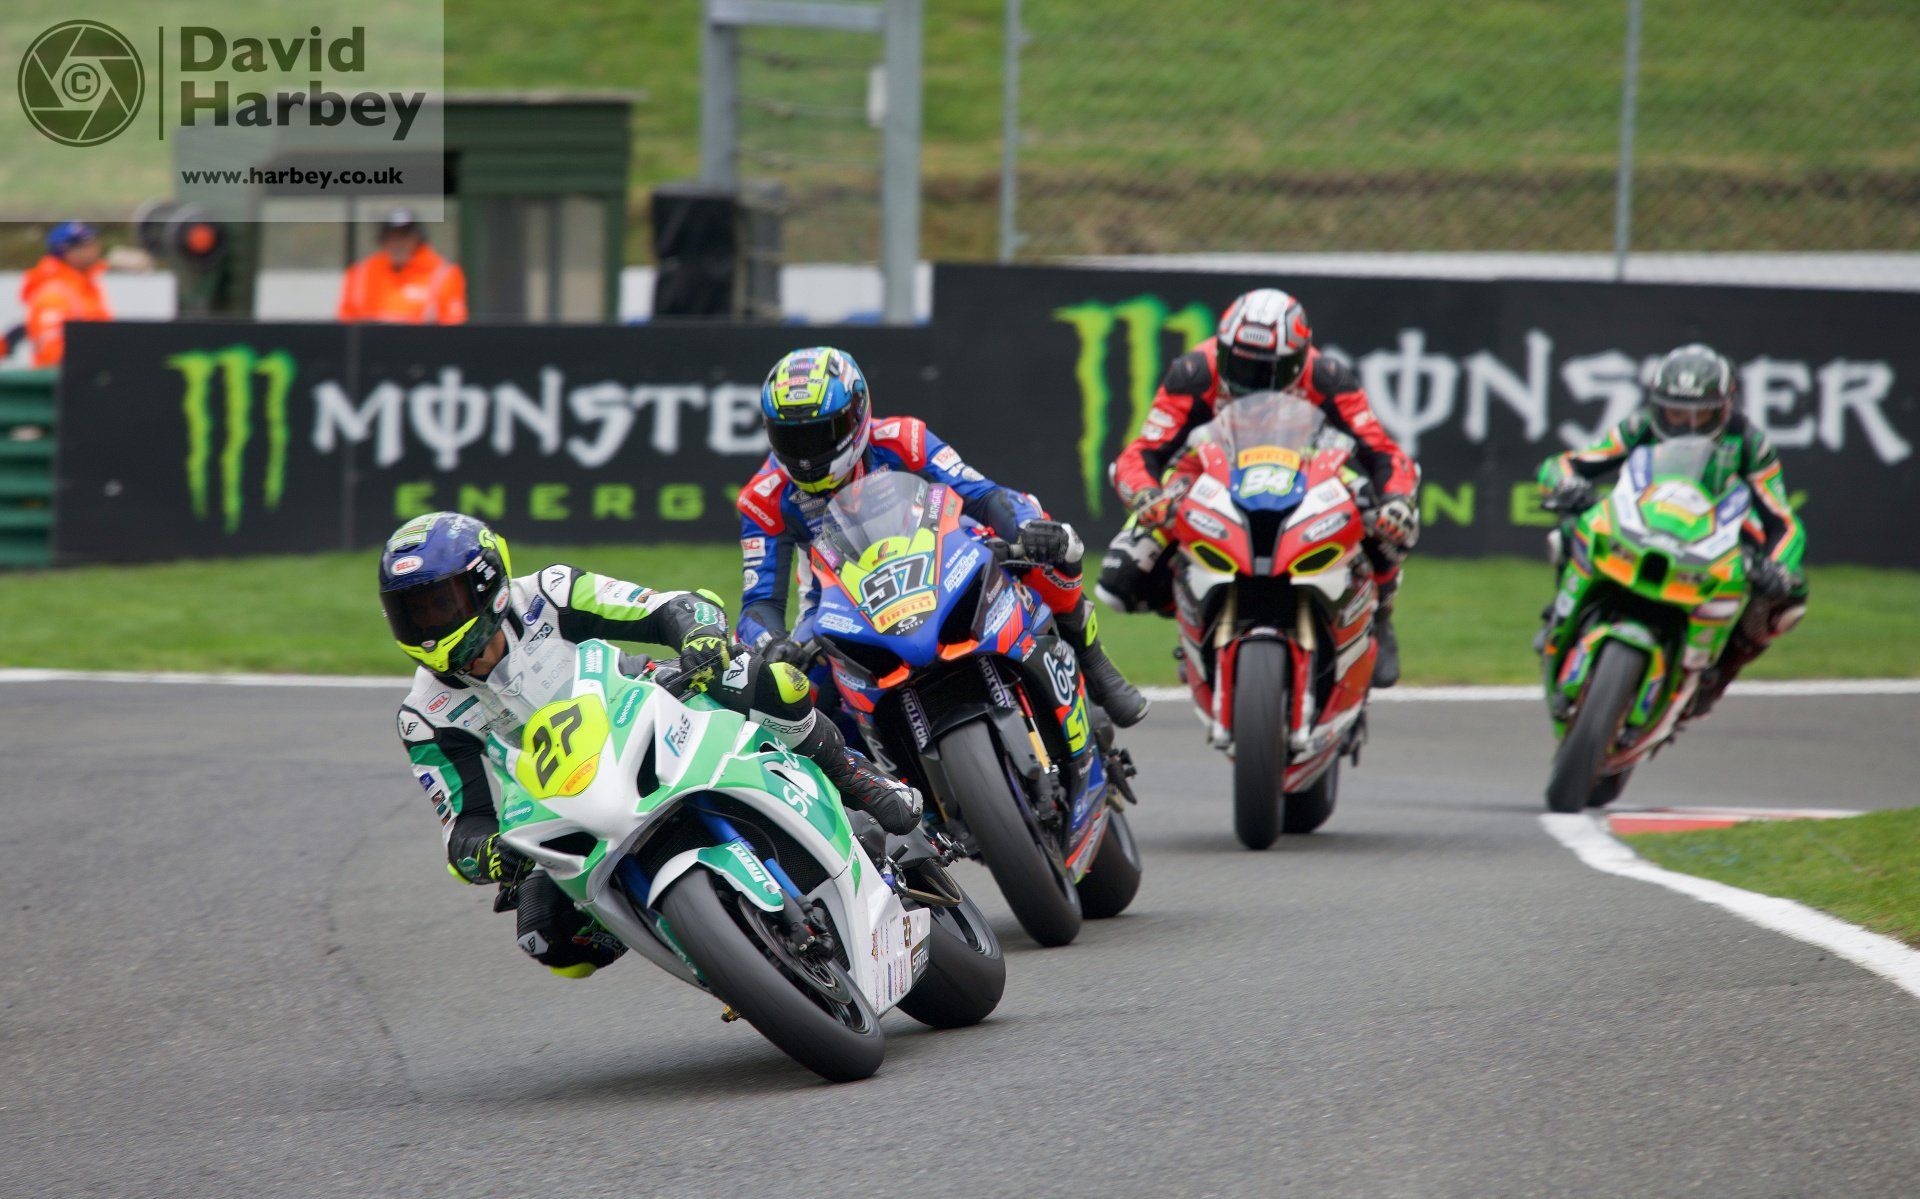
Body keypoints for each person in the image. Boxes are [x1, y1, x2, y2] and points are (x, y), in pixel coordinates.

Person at [381, 511, 920, 979]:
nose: (426, 628)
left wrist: (699, 636)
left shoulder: (548, 592)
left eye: (437, 606)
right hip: (562, 801)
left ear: (487, 585)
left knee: (753, 675)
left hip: (640, 706)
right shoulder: (423, 717)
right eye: (411, 613)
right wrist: (491, 855)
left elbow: (667, 606)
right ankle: (708, 943)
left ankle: (855, 776)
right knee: (546, 935)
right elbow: (463, 828)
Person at [735, 345, 1149, 727]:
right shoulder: (762, 497)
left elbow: (983, 495)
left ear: (857, 414)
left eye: (821, 433)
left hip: (937, 555)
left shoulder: (903, 438)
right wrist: (773, 645)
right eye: (791, 437)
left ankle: (1088, 654)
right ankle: (872, 795)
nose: (806, 454)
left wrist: (1025, 528)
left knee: (1047, 533)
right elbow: (759, 605)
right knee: (788, 703)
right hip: (837, 600)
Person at [1100, 288, 1422, 686]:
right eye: (1238, 362)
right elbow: (1143, 452)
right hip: (1209, 475)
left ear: (1298, 359)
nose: (1249, 380)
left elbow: (1383, 452)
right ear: (1222, 347)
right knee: (1120, 580)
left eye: (1267, 369)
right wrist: (1147, 496)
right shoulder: (1195, 373)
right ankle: (1196, 617)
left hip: (1307, 473)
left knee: (1393, 520)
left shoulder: (1327, 377)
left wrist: (1396, 501)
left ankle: (1379, 613)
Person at [1537, 343, 1807, 719]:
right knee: (1573, 526)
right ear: (1657, 404)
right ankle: (1562, 617)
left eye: (1702, 415)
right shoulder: (1640, 426)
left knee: (1790, 595)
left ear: (1726, 408)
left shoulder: (1749, 443)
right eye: (1675, 412)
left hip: (1713, 536)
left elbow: (1783, 520)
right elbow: (1571, 463)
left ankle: (1719, 670)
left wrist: (1778, 566)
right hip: (1642, 521)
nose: (1687, 424)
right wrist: (1565, 485)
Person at [338, 210, 467, 324]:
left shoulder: (444, 274)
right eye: (392, 237)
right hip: (371, 347)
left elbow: (453, 327)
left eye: (404, 236)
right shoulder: (361, 272)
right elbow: (346, 322)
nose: (398, 243)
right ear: (383, 240)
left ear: (417, 239)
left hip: (423, 348)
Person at [18, 222, 111, 367]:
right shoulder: (54, 294)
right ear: (68, 251)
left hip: (88, 379)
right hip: (65, 384)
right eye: (87, 244)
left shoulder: (85, 287)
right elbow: (52, 353)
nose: (96, 248)